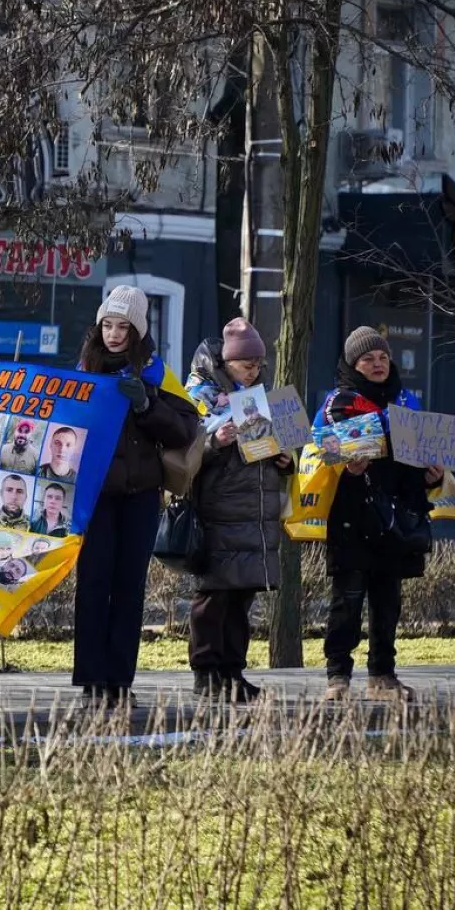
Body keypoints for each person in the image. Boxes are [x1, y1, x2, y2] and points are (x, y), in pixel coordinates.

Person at [73, 285, 199, 708]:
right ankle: (91, 682)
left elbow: (185, 429)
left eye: (122, 326)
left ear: (137, 330)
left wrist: (147, 406)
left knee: (129, 588)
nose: (112, 334)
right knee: (93, 585)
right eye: (106, 325)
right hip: (96, 496)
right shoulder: (84, 369)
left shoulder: (156, 373)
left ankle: (119, 683)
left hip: (141, 494)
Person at [320, 326, 446, 702]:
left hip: (394, 516)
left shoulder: (407, 402)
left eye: (382, 358)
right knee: (348, 598)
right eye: (367, 359)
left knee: (387, 599)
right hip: (352, 516)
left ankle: (382, 677)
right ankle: (337, 677)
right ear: (352, 364)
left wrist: (430, 475)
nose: (377, 365)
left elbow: (416, 457)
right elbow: (321, 451)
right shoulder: (337, 402)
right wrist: (346, 466)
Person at [184, 318, 290, 703]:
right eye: (247, 365)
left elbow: (283, 451)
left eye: (259, 364)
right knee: (213, 595)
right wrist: (215, 442)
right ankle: (205, 673)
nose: (255, 371)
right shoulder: (200, 395)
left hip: (255, 511)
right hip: (220, 510)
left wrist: (284, 460)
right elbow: (185, 454)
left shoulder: (262, 399)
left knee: (242, 596)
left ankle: (232, 672)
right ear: (227, 364)